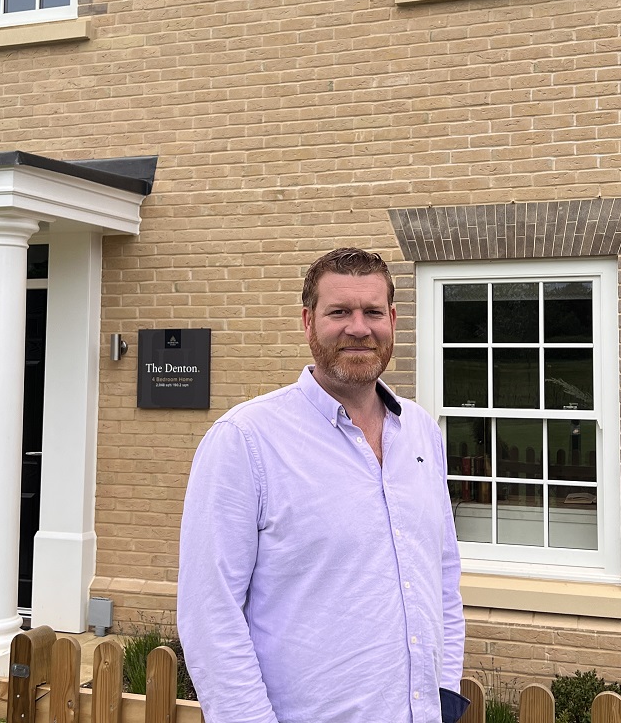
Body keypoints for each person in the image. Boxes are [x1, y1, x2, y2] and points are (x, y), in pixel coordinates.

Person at [177, 247, 466, 723]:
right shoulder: (245, 440)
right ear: (308, 322)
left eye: (373, 311)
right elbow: (210, 613)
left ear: (392, 319)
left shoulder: (420, 431)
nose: (359, 327)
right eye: (339, 312)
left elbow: (442, 576)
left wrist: (445, 692)